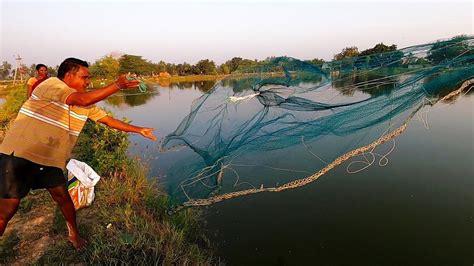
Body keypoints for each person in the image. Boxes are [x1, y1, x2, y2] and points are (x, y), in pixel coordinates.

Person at [0, 58, 156, 250]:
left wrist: (139, 130)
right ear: (68, 75)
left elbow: (107, 120)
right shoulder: (52, 85)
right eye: (84, 77)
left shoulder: (84, 103)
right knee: (8, 208)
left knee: (63, 197)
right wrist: (117, 85)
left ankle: (74, 235)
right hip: (19, 154)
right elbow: (81, 99)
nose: (88, 81)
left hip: (49, 159)